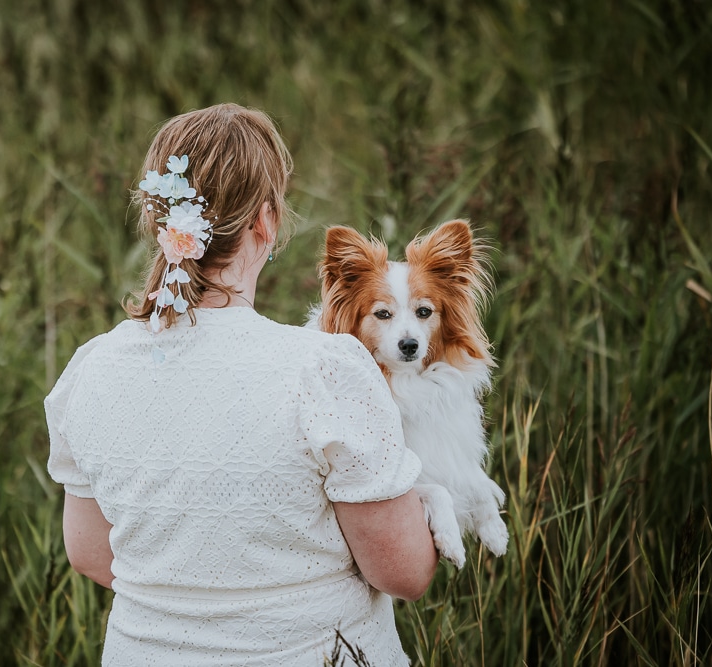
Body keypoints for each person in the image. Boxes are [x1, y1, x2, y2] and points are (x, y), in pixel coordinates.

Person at [45, 103, 438, 666]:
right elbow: (404, 573)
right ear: (265, 222)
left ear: (162, 225)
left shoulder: (91, 368)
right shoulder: (325, 368)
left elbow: (89, 554)